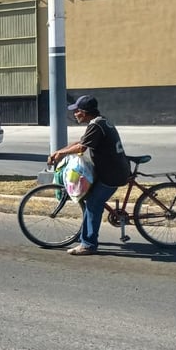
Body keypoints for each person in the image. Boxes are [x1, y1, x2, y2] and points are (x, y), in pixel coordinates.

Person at [48, 95, 130, 256]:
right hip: (112, 169)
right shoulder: (98, 122)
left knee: (93, 202)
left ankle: (89, 244)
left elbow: (81, 148)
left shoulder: (96, 125)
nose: (75, 114)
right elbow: (81, 142)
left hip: (112, 174)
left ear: (84, 112)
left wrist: (60, 153)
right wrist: (60, 151)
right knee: (89, 197)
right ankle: (87, 233)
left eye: (77, 111)